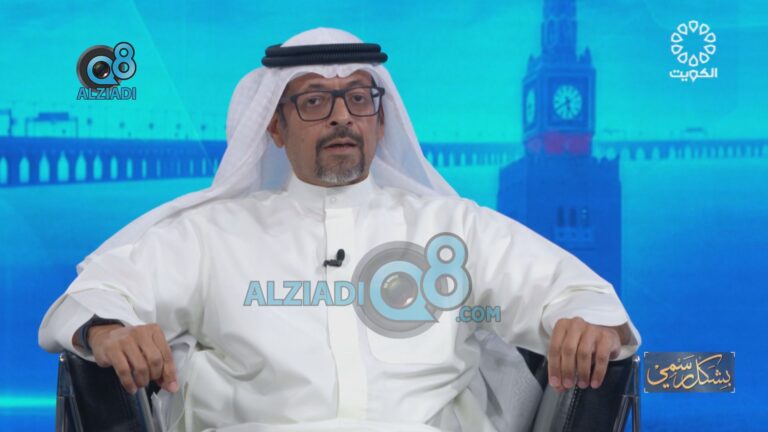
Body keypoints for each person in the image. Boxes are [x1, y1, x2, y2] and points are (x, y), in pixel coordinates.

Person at [39, 28, 640, 432]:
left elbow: (578, 294)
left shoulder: (454, 228)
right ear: (275, 127)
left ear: (380, 120)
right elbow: (99, 295)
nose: (341, 118)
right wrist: (107, 332)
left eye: (358, 98)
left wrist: (583, 321)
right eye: (314, 102)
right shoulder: (211, 236)